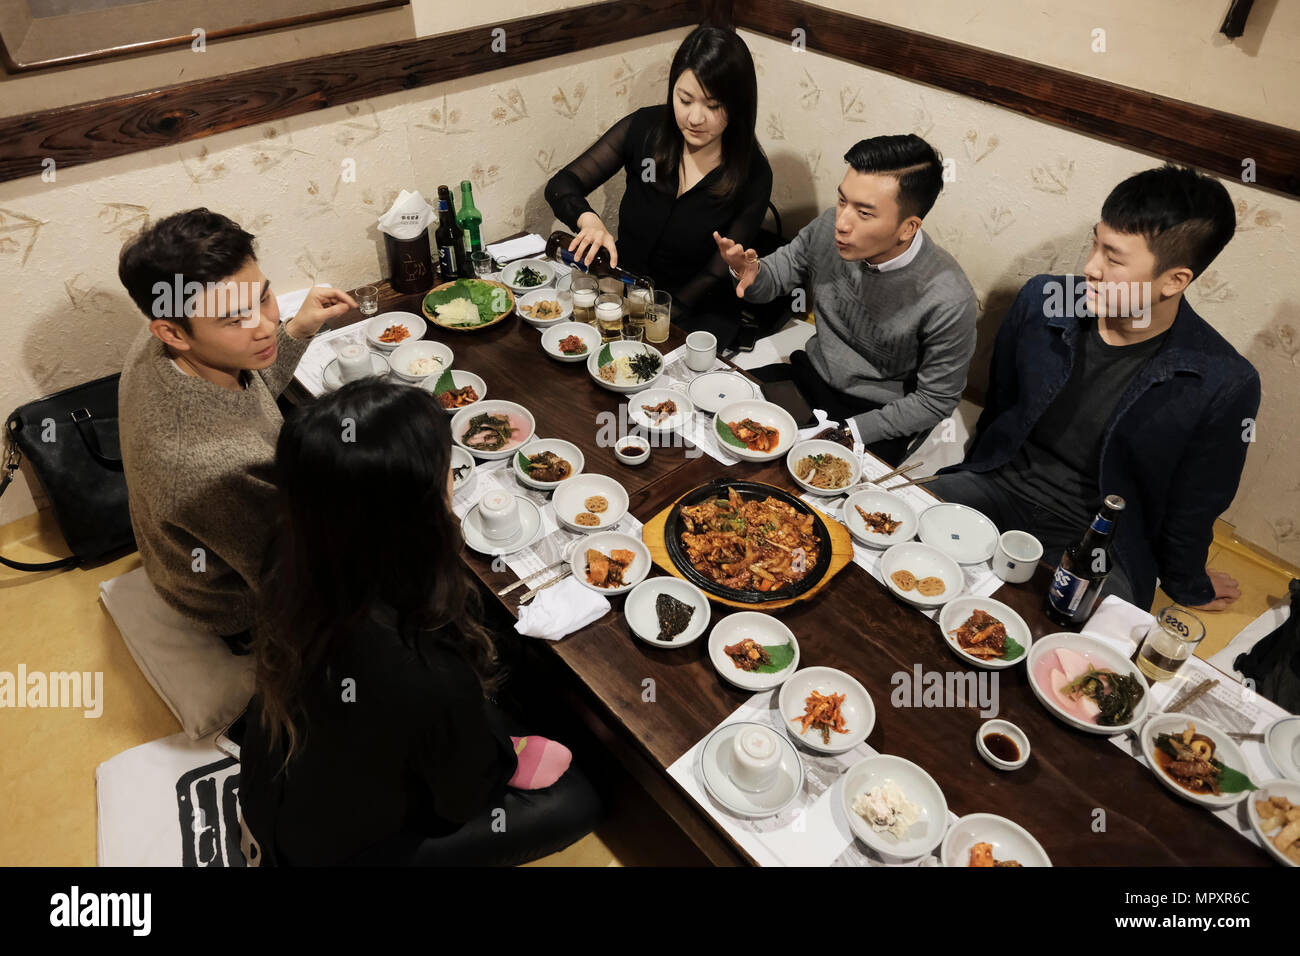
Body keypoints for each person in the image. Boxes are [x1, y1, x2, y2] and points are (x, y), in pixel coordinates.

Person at [238, 381, 601, 865]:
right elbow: (457, 804)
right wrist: (499, 757)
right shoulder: (422, 667)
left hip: (278, 783)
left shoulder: (289, 551)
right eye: (446, 470)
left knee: (483, 703)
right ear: (414, 509)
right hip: (327, 851)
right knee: (580, 799)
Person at [928, 165, 1259, 612]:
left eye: (1114, 258)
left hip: (1100, 539)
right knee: (904, 528)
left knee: (1074, 646)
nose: (1091, 268)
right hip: (998, 487)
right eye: (1096, 243)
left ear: (1174, 280)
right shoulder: (1043, 302)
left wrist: (1187, 582)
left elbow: (1194, 505)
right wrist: (973, 475)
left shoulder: (1220, 380)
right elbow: (1001, 408)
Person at [117, 209, 357, 651]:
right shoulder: (213, 467)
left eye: (263, 298)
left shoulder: (163, 342)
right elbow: (299, 579)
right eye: (233, 319)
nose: (265, 326)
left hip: (218, 540)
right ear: (171, 332)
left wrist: (297, 329)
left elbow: (246, 386)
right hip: (241, 607)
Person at [715, 133, 977, 465]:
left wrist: (850, 431)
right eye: (842, 201)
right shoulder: (828, 228)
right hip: (808, 376)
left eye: (864, 213)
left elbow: (935, 400)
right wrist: (749, 274)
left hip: (878, 412)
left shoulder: (949, 298)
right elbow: (775, 278)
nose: (842, 222)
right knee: (718, 426)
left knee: (815, 502)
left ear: (908, 227)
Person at [544, 24, 771, 341]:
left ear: (738, 105)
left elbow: (712, 274)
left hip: (694, 312)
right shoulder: (646, 129)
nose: (694, 118)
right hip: (621, 291)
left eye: (713, 105)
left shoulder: (753, 174)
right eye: (685, 99)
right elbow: (561, 184)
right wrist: (589, 220)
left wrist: (653, 314)